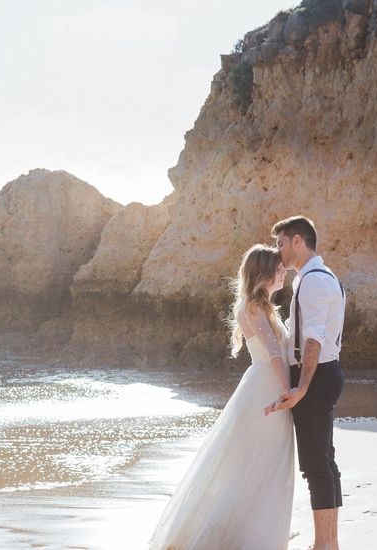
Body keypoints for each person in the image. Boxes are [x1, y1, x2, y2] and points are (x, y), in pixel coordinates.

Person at [148, 244, 294, 550]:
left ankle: (250, 529)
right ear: (265, 273)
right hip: (267, 386)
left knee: (253, 463)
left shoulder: (254, 305)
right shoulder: (256, 307)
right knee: (263, 461)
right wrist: (287, 391)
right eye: (279, 268)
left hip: (258, 384)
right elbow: (274, 354)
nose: (284, 272)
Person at [265, 215, 346, 550]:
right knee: (324, 460)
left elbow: (313, 339)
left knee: (316, 465)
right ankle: (329, 543)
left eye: (281, 243)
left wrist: (302, 388)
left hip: (316, 375)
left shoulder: (313, 281)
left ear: (298, 241)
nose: (278, 250)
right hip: (326, 373)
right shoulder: (318, 277)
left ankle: (324, 545)